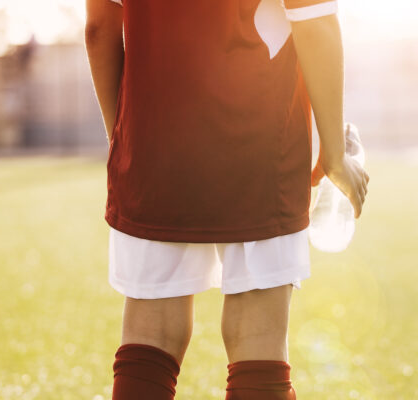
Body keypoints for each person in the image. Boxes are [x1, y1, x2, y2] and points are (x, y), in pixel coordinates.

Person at [84, 0, 369, 398]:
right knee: (259, 341)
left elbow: (99, 27)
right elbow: (314, 21)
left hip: (154, 152)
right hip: (262, 140)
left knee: (149, 338)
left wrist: (130, 142)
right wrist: (335, 154)